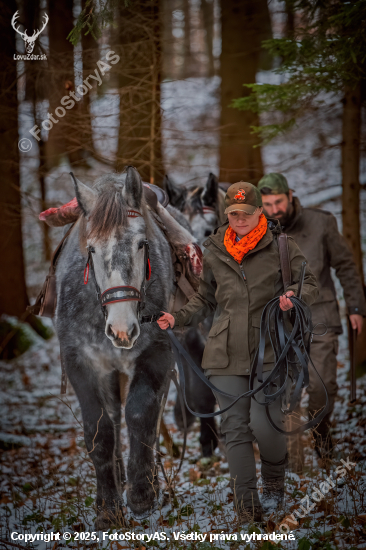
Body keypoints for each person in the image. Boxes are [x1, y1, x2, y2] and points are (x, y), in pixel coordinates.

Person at [158, 182, 318, 523]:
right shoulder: (214, 249)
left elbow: (310, 284)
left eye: (246, 213)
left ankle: (274, 484)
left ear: (259, 211)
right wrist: (178, 316)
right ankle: (247, 507)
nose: (240, 219)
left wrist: (292, 296)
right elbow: (205, 299)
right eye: (233, 213)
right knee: (234, 428)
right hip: (224, 353)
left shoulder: (283, 247)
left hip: (271, 349)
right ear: (226, 214)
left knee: (266, 424)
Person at [257, 173, 366, 468]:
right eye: (267, 203)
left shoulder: (322, 222)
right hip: (280, 325)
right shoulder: (258, 232)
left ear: (290, 195)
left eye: (278, 201)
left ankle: (321, 433)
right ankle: (295, 463)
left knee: (322, 387)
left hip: (322, 317)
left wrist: (356, 307)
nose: (274, 208)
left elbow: (345, 265)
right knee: (286, 392)